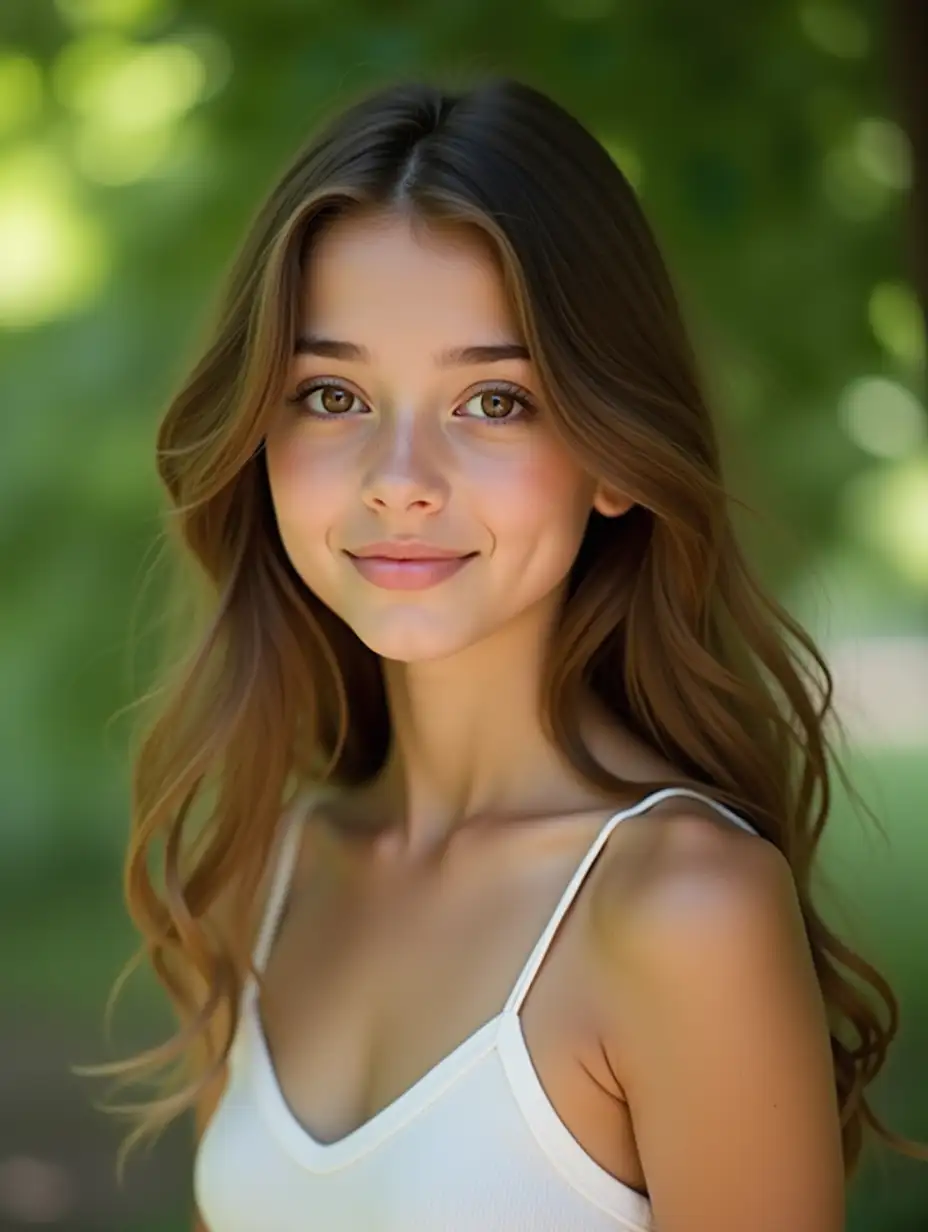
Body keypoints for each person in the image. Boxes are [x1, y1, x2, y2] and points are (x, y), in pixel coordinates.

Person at [88, 76, 926, 1230]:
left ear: (616, 454)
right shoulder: (265, 875)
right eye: (331, 392)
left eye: (493, 401)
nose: (399, 475)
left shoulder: (685, 907)